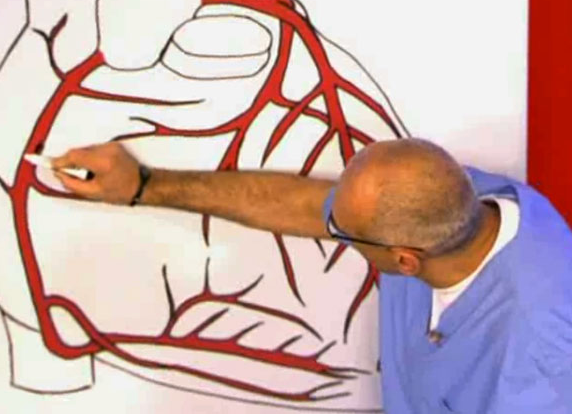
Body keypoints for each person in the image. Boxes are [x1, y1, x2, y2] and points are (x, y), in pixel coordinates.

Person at [52, 138, 572, 413]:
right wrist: (145, 185)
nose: (329, 226)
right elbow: (305, 206)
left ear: (404, 261)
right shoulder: (451, 200)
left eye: (346, 234)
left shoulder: (538, 358)